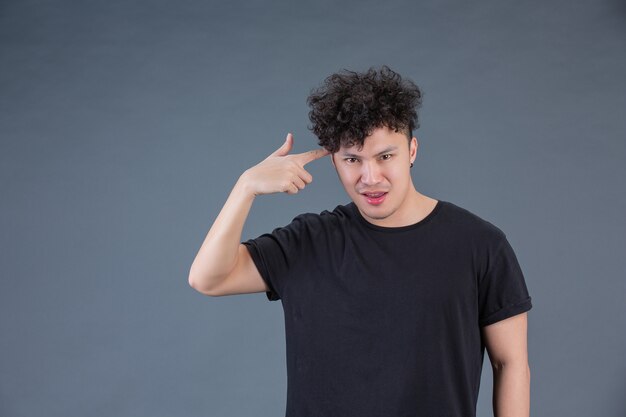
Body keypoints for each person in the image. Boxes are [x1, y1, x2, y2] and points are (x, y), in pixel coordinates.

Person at [188, 65, 532, 417]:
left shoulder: (480, 245)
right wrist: (245, 187)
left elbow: (510, 364)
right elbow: (208, 278)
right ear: (334, 161)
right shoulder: (308, 242)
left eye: (385, 156)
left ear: (412, 150)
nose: (370, 178)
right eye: (352, 159)